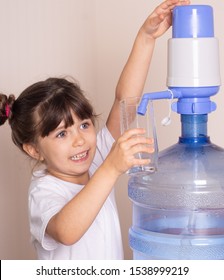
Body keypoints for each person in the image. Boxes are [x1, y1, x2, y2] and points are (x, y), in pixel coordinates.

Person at [0, 0, 190, 260]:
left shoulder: (95, 160)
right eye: (62, 134)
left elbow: (125, 103)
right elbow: (66, 231)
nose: (79, 140)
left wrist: (146, 38)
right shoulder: (44, 191)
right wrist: (111, 168)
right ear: (34, 150)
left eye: (85, 124)